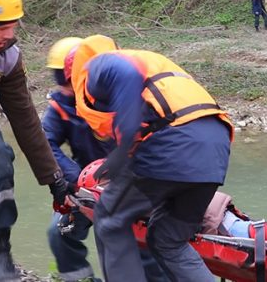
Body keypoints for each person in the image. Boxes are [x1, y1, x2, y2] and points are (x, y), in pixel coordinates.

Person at [65, 35, 234, 282]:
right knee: (167, 239)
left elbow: (123, 74)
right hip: (214, 150)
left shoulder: (98, 66)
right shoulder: (147, 63)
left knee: (110, 218)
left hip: (174, 143)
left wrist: (122, 151)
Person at [0, 0, 72, 281]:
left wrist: (54, 178)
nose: (10, 35)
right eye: (0, 27)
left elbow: (25, 119)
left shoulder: (7, 58)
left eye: (12, 26)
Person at [44, 37, 168, 282]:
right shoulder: (61, 107)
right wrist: (75, 180)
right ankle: (82, 279)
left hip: (130, 184)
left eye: (67, 77)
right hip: (86, 185)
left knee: (140, 243)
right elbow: (45, 143)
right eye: (60, 78)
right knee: (58, 231)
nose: (66, 86)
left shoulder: (123, 98)